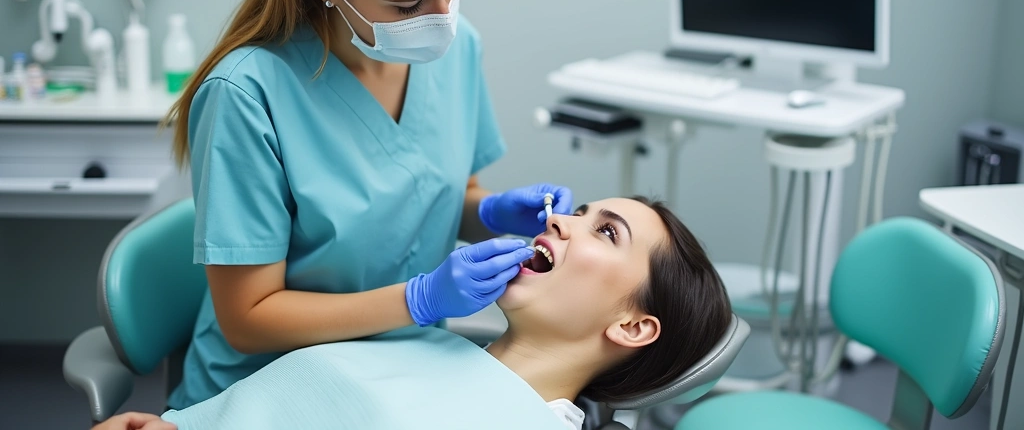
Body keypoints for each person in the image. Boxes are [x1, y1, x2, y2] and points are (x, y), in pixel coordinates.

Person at [161, 0, 572, 409]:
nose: (442, 17)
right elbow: (248, 321)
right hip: (268, 391)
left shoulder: (459, 47)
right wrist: (419, 300)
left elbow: (444, 193)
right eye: (408, 5)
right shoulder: (247, 94)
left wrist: (491, 212)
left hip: (403, 374)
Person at [94, 197, 733, 430]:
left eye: (606, 232)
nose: (561, 219)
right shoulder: (427, 342)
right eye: (580, 209)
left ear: (632, 325)